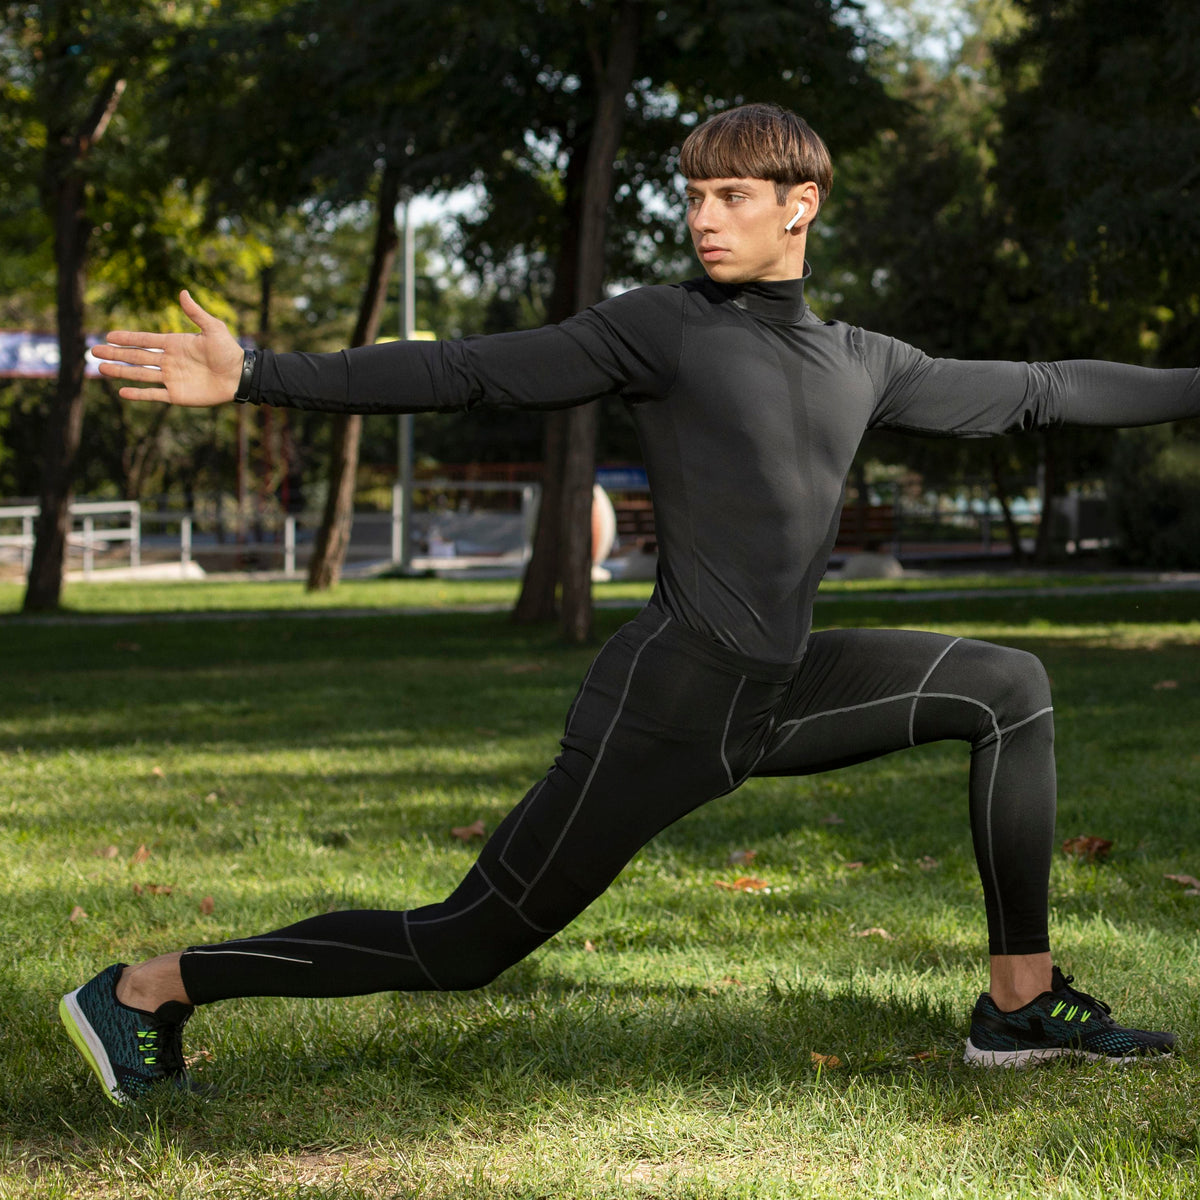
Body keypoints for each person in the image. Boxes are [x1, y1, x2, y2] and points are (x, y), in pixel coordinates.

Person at [64, 103, 1194, 1106]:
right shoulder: (663, 328)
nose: (704, 217)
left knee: (1006, 687)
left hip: (780, 690)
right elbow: (466, 369)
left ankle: (1018, 1004)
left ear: (800, 205)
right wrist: (259, 373)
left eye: (731, 195)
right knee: (463, 944)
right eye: (693, 196)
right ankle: (147, 989)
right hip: (670, 704)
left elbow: (1044, 390)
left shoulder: (865, 361)